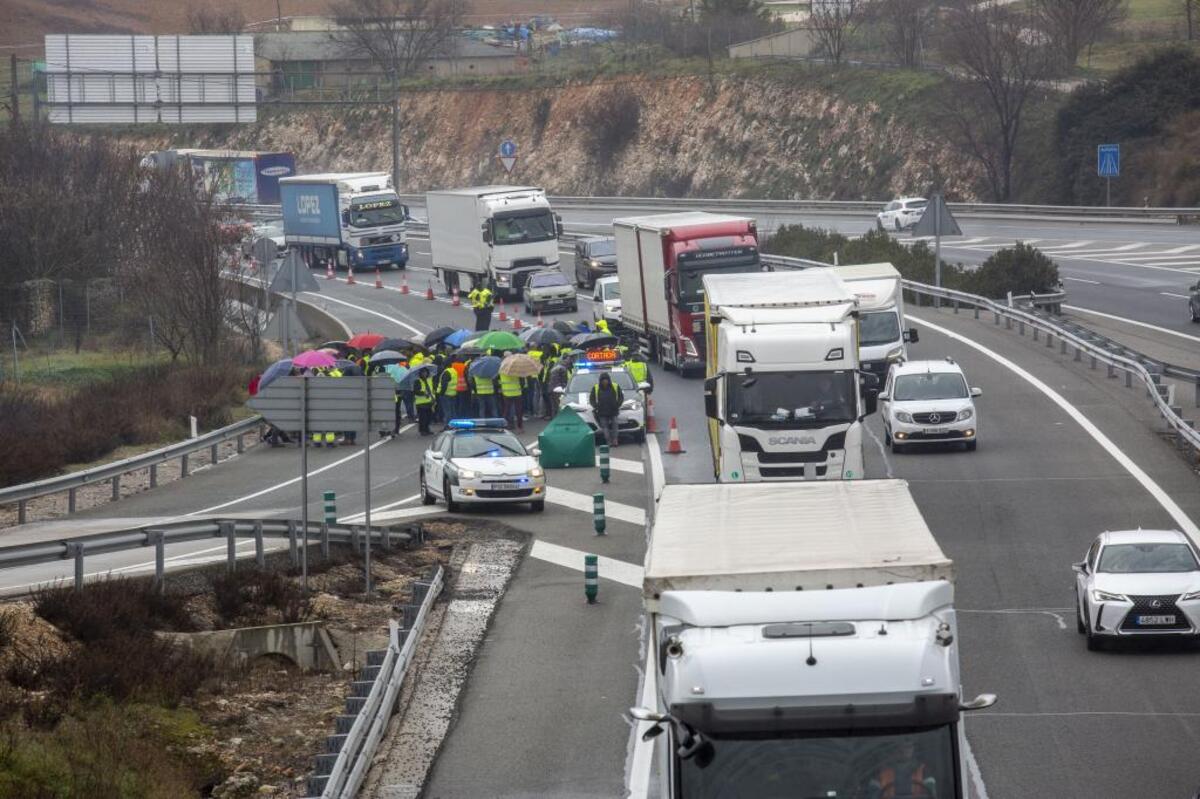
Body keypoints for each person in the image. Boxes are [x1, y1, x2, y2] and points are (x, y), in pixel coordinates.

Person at [868, 739, 934, 799]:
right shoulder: (880, 773)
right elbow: (873, 796)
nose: (903, 750)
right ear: (892, 749)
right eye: (899, 746)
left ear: (913, 749)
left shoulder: (924, 771)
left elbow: (932, 795)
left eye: (908, 746)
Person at [589, 371, 623, 448]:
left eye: (606, 379)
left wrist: (617, 405)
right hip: (602, 411)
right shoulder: (596, 388)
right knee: (605, 427)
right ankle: (608, 441)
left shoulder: (615, 386)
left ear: (609, 380)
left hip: (613, 410)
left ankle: (615, 440)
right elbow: (592, 399)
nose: (605, 381)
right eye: (603, 380)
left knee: (615, 425)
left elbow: (621, 397)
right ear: (600, 380)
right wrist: (596, 406)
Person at [413, 368, 437, 436]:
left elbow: (431, 389)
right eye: (423, 372)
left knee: (429, 417)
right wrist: (423, 393)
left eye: (426, 372)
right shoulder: (417, 381)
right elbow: (415, 391)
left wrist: (433, 398)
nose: (424, 374)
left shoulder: (429, 380)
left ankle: (427, 429)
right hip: (421, 403)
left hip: (429, 401)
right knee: (423, 418)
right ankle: (422, 430)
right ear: (420, 373)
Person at [438, 361, 460, 429]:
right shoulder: (454, 371)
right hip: (453, 393)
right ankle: (455, 425)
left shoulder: (446, 372)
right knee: (453, 411)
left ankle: (447, 426)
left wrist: (441, 393)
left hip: (446, 394)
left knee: (447, 411)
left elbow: (444, 384)